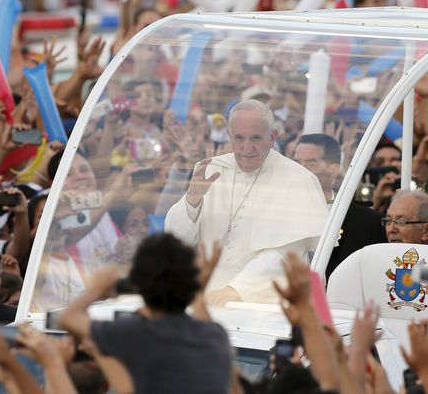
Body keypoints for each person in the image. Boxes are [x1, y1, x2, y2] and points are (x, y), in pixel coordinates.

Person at [165, 100, 327, 304]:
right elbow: (176, 239)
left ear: (272, 137)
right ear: (229, 135)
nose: (246, 147)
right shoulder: (211, 170)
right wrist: (192, 200)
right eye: (239, 138)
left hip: (266, 305)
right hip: (207, 298)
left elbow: (284, 255)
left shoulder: (298, 180)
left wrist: (234, 292)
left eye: (256, 138)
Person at [59, 234, 233, 394]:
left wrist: (96, 289)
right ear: (190, 284)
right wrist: (199, 291)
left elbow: (67, 319)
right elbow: (205, 325)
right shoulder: (215, 336)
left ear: (137, 284)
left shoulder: (134, 332)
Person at [293, 133, 385, 278]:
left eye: (311, 165)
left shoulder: (366, 222)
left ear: (334, 170)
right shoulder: (276, 213)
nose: (300, 172)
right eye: (296, 164)